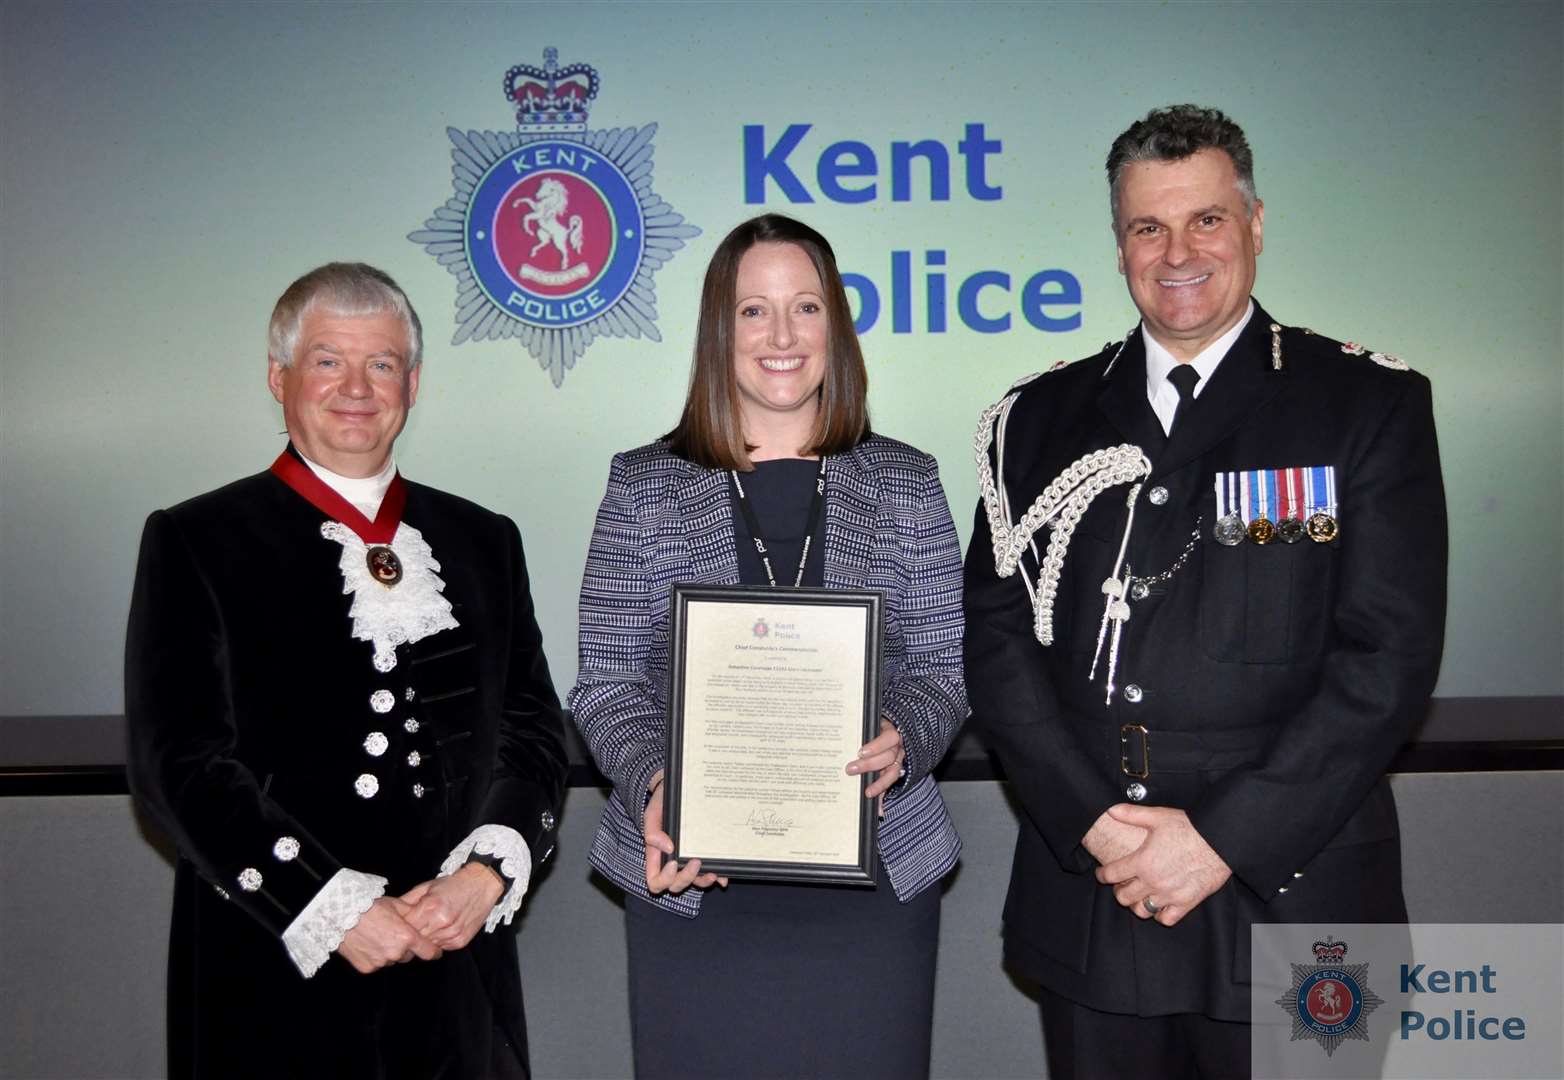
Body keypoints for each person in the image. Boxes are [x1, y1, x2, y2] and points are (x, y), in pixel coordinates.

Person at [964, 105, 1446, 1077]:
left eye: (1206, 221)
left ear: (1255, 225)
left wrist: (1221, 839)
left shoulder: (1362, 404)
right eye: (1147, 226)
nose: (1176, 252)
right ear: (1117, 244)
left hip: (1298, 888)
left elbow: (1386, 659)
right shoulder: (1036, 419)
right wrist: (1090, 818)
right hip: (1099, 884)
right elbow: (996, 635)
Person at [125, 263, 567, 1079]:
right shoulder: (198, 538)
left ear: (414, 381)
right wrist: (333, 908)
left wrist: (487, 870)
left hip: (454, 973)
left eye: (382, 363)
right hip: (274, 970)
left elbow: (532, 732)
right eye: (329, 360)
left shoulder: (483, 540)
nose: (357, 387)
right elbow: (177, 766)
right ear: (279, 377)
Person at [570, 214, 967, 1078]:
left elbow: (944, 671)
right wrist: (658, 784)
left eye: (806, 308)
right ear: (722, 329)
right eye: (755, 311)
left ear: (837, 327)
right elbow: (604, 683)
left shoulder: (906, 479)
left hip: (873, 892)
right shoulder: (644, 485)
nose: (782, 336)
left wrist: (905, 734)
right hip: (694, 884)